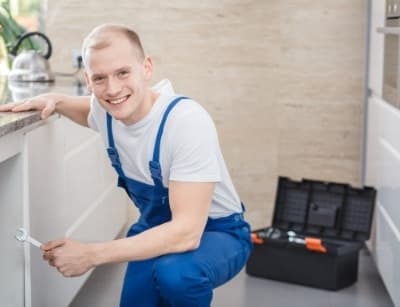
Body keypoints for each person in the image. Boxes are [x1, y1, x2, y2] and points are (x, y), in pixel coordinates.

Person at [0, 24, 252, 307]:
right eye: (100, 78)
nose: (113, 89)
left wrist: (91, 255)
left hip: (217, 232)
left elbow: (187, 232)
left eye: (123, 73)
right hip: (154, 226)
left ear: (146, 67)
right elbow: (86, 109)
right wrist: (55, 99)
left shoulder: (185, 122)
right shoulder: (104, 111)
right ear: (88, 80)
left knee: (176, 274)